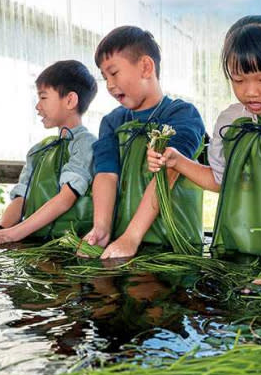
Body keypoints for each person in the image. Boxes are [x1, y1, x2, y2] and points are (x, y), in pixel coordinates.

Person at [147, 15, 261, 289]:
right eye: (239, 79)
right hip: (234, 245)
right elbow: (221, 180)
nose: (250, 91)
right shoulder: (229, 120)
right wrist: (177, 160)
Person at [83, 26, 205, 258]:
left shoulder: (182, 114)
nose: (109, 84)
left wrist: (132, 237)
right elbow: (106, 174)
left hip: (175, 248)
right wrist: (101, 227)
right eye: (104, 77)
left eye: (114, 73)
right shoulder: (112, 122)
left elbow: (169, 170)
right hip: (121, 244)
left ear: (146, 67)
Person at [0, 60, 97, 246]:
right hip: (35, 241)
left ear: (70, 100)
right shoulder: (39, 151)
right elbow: (22, 197)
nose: (38, 106)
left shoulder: (85, 143)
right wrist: (1, 229)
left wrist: (14, 234)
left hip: (71, 244)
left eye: (43, 98)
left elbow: (66, 198)